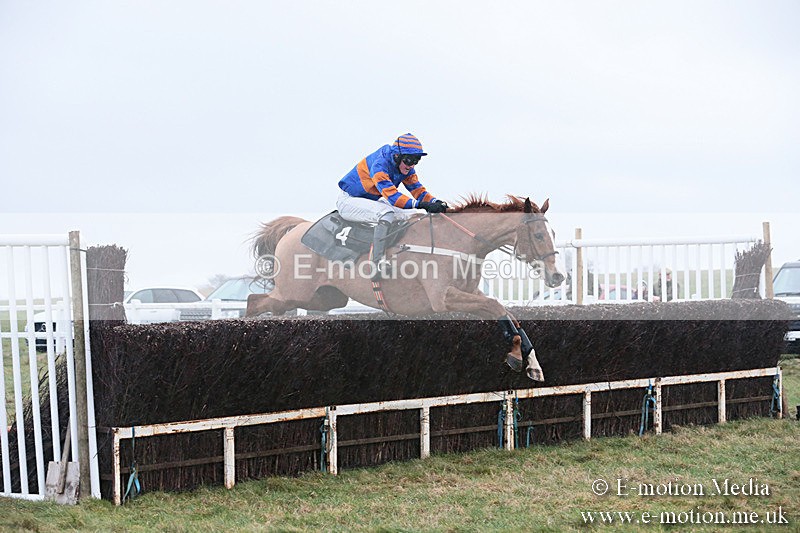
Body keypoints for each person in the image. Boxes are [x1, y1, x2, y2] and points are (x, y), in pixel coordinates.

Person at [337, 133, 447, 278]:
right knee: (386, 213)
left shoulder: (406, 168)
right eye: (409, 160)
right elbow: (393, 197)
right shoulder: (379, 165)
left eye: (416, 160)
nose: (412, 164)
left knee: (413, 215)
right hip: (349, 201)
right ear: (397, 156)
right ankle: (376, 263)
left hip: (371, 201)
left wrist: (435, 202)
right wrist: (422, 204)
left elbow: (417, 190)